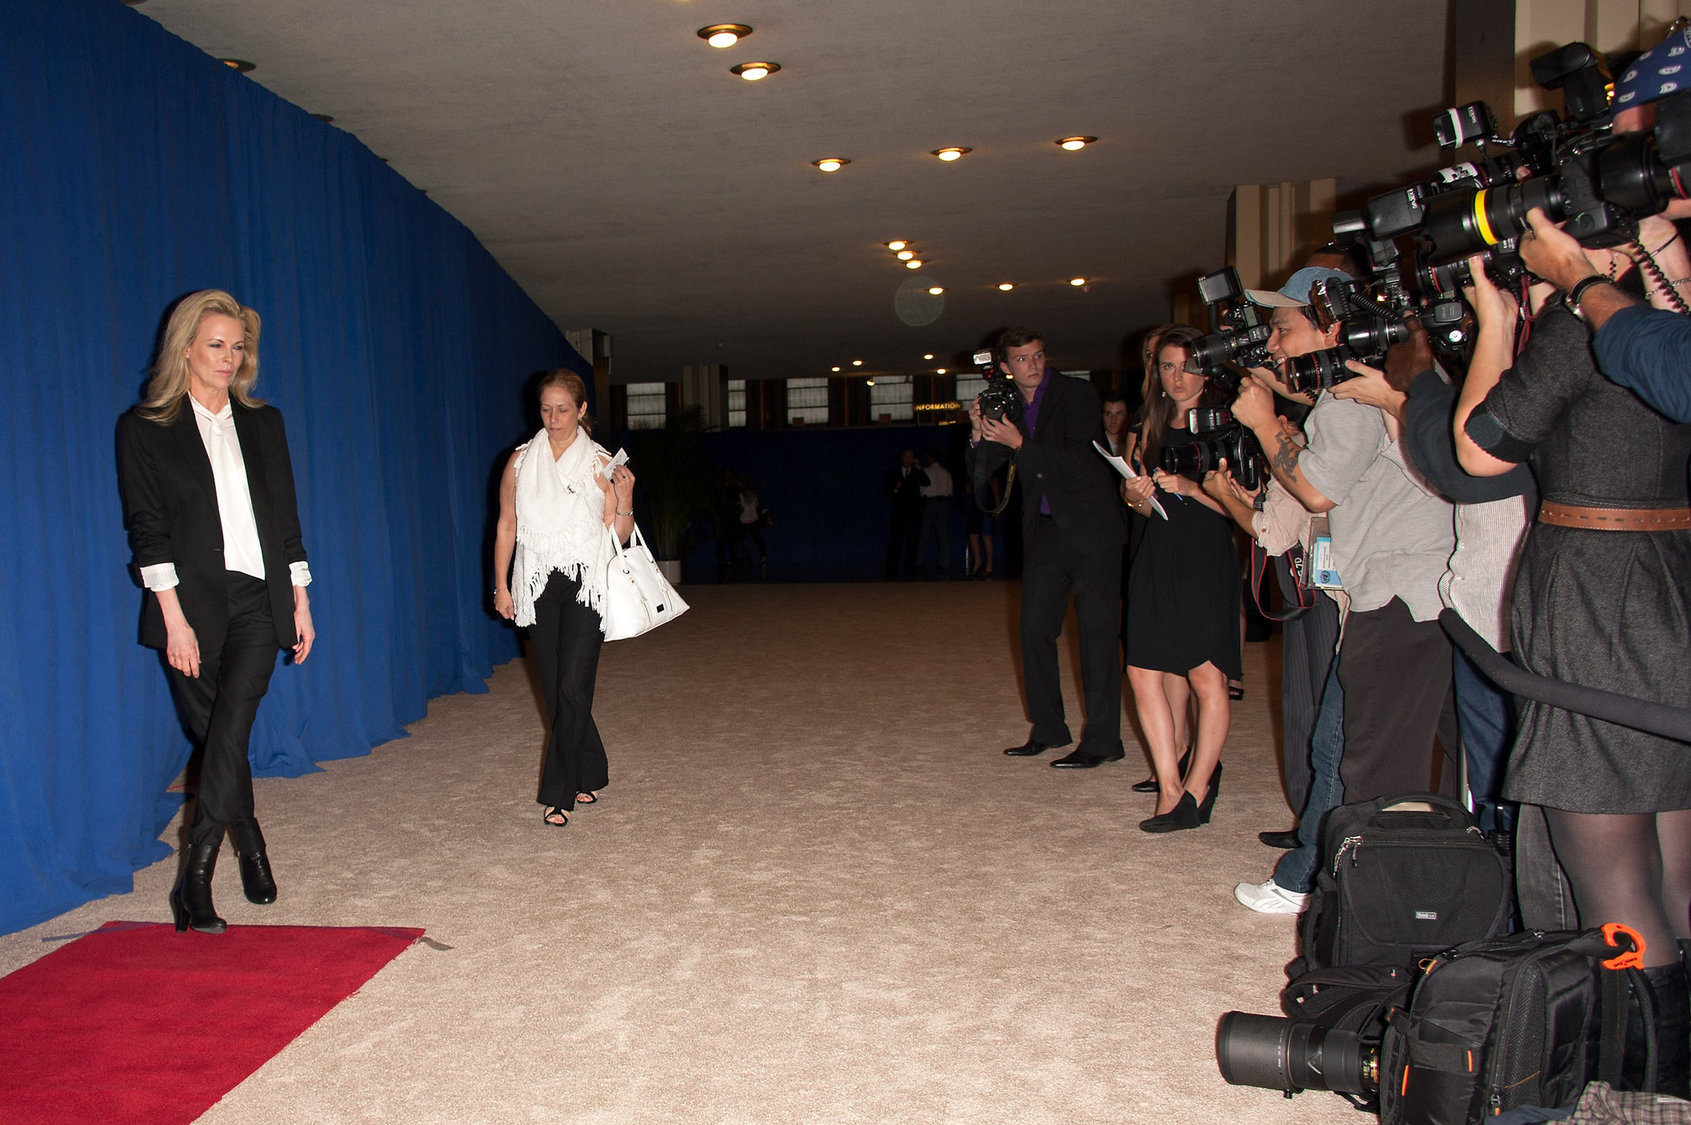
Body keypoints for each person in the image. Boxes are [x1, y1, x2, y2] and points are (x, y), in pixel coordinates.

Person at [1457, 231, 1691, 1094]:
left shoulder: (1591, 316)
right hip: (1674, 580)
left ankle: (1643, 1095)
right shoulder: (1673, 317)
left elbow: (1479, 448)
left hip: (1598, 594)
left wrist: (1494, 317)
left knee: (1614, 878)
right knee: (1677, 865)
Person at [1227, 266, 1457, 914]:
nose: (1274, 343)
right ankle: (1319, 878)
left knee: (1368, 756)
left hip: (1401, 593)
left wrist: (1263, 422)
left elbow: (1317, 489)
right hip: (1411, 589)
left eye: (1282, 327)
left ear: (1330, 326)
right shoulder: (1370, 379)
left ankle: (1357, 901)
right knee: (1351, 741)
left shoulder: (1351, 395)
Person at [116, 290, 316, 935]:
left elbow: (285, 520)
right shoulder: (145, 428)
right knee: (220, 738)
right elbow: (148, 531)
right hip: (190, 606)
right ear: (184, 349)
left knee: (231, 729)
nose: (229, 357)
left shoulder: (263, 422)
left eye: (237, 346)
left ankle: (193, 877)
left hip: (259, 597)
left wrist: (301, 598)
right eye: (216, 345)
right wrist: (173, 621)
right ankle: (250, 841)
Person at [968, 326, 1127, 768]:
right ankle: (1049, 728)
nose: (1033, 365)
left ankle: (1104, 740)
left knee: (1095, 634)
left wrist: (1020, 443)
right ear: (1004, 366)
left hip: (1092, 529)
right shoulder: (1009, 403)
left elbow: (1080, 463)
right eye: (1022, 359)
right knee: (1034, 629)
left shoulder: (1077, 395)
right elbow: (985, 467)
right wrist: (979, 431)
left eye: (1038, 355)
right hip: (1044, 531)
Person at [492, 371, 635, 829]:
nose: (553, 419)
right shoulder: (519, 462)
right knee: (557, 689)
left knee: (573, 685)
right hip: (537, 583)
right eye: (545, 410)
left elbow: (618, 535)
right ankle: (590, 768)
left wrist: (626, 498)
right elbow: (507, 525)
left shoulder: (601, 463)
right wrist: (501, 585)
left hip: (585, 582)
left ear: (582, 410)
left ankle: (560, 793)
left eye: (563, 410)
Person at [1120, 326, 1240, 831]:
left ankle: (1198, 786)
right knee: (1142, 668)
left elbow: (1245, 510)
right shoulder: (1151, 424)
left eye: (1188, 366)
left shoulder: (1227, 422)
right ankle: (1170, 788)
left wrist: (1191, 488)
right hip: (1158, 550)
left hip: (1205, 554)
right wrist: (1136, 498)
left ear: (1207, 369)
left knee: (1206, 674)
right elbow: (1149, 508)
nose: (1178, 377)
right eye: (1168, 366)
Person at [883, 448, 927, 579]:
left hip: (913, 515)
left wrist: (919, 468)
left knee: (912, 543)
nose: (908, 460)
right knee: (895, 543)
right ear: (902, 458)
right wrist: (895, 488)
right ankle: (892, 570)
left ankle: (910, 570)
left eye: (911, 457)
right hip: (899, 515)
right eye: (906, 457)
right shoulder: (894, 473)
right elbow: (886, 491)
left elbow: (927, 482)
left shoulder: (916, 473)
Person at [916, 448, 954, 578]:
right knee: (943, 535)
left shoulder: (926, 472)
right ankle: (944, 563)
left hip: (929, 502)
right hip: (943, 503)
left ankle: (919, 562)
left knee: (924, 533)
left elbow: (922, 490)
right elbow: (950, 490)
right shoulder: (946, 473)